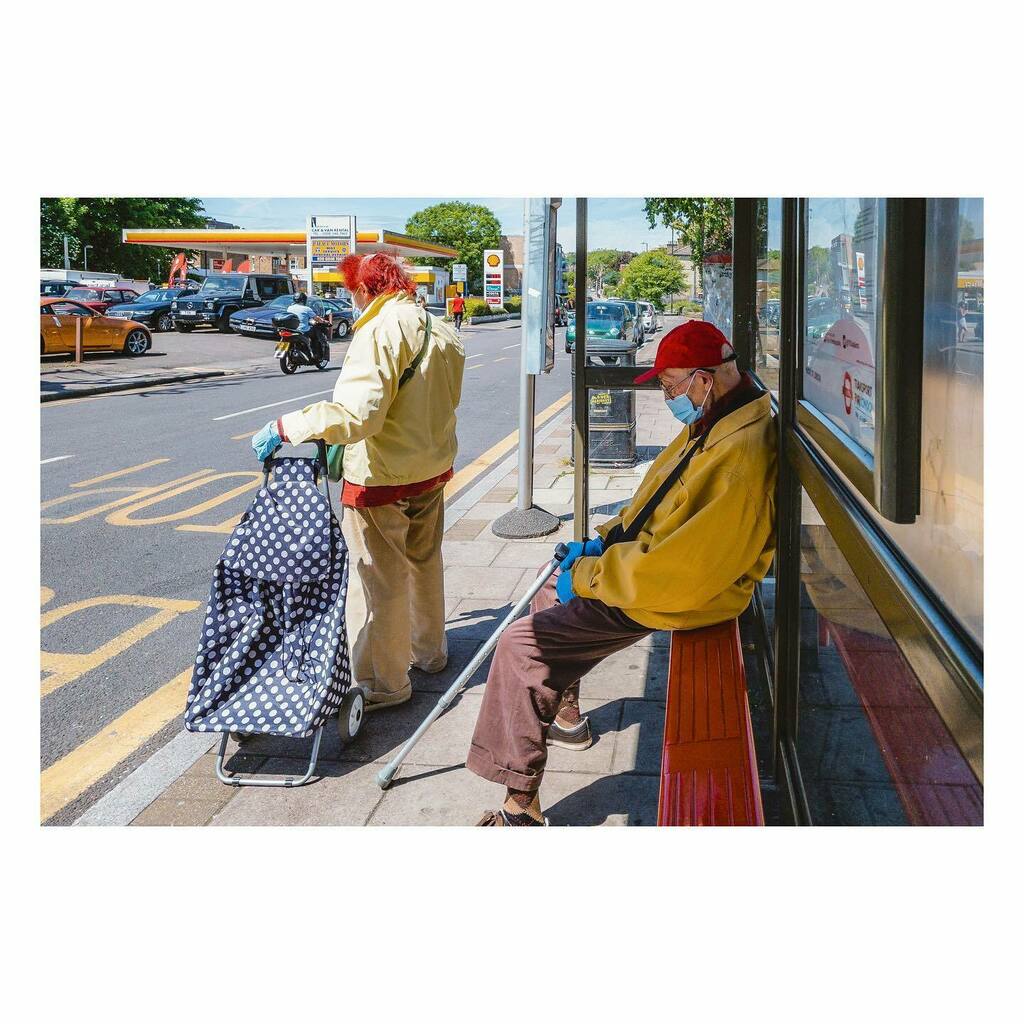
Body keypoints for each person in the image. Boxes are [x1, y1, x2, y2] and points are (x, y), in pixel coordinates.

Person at [466, 321, 777, 824]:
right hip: (648, 570)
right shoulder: (715, 422)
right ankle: (563, 716)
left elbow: (682, 572)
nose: (667, 394)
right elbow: (650, 507)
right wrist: (601, 542)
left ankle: (520, 805)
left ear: (704, 379)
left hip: (676, 592)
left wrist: (591, 574)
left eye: (671, 385)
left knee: (520, 647)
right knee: (549, 593)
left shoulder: (738, 453)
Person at [252, 252, 466, 710]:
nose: (351, 298)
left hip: (380, 477)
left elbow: (357, 416)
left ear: (365, 288)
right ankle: (430, 653)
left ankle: (384, 683)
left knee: (379, 581)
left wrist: (288, 426)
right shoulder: (441, 328)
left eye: (352, 289)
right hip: (431, 468)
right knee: (425, 564)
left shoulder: (379, 331)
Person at [287, 291, 329, 362]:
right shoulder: (306, 309)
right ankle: (315, 354)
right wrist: (324, 321)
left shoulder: (289, 308)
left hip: (292, 329)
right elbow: (317, 319)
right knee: (316, 334)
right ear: (304, 300)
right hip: (302, 330)